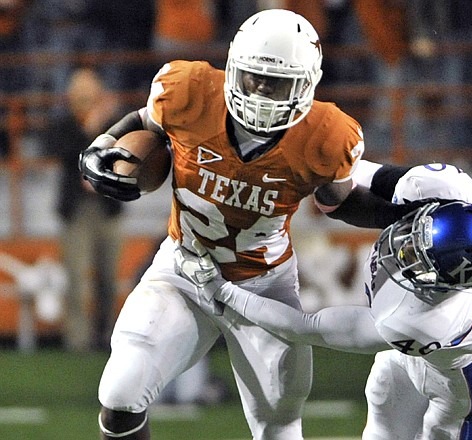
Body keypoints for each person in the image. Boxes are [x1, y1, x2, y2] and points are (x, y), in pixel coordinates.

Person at [78, 9, 428, 439]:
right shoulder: (188, 89)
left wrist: (401, 212)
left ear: (306, 84)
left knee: (276, 423)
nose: (262, 92)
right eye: (254, 78)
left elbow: (338, 203)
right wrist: (103, 146)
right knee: (119, 395)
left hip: (263, 285)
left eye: (277, 83)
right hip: (183, 269)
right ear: (233, 68)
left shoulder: (326, 134)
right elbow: (144, 122)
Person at [174, 164, 472, 440]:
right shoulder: (457, 191)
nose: (403, 245)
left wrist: (223, 292)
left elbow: (305, 325)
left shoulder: (418, 319)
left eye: (418, 255)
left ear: (440, 284)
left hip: (465, 382)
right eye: (418, 235)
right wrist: (308, 161)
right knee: (383, 399)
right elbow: (360, 169)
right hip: (419, 356)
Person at [48, 68, 125, 352]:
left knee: (108, 277)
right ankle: (77, 340)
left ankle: (107, 335)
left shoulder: (115, 123)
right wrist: (90, 127)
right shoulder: (65, 124)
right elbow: (62, 151)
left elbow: (123, 153)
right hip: (76, 210)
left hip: (107, 208)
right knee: (76, 277)